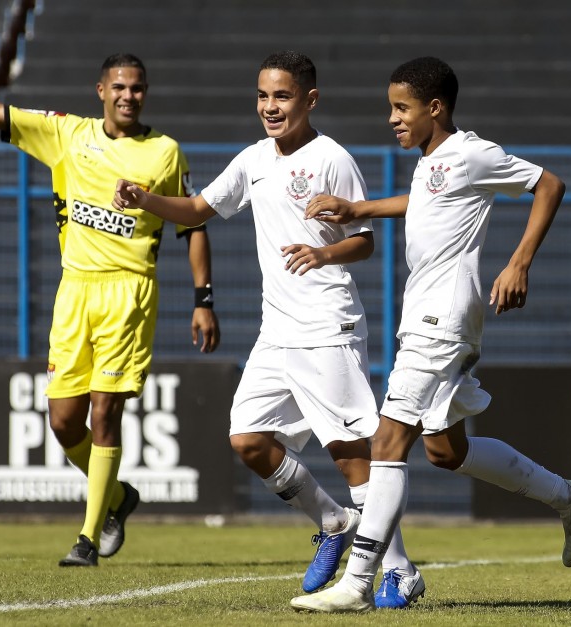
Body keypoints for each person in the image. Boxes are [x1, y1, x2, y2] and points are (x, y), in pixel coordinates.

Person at [0, 42, 220, 567]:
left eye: (137, 88)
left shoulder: (165, 152)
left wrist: (204, 299)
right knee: (64, 421)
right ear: (101, 91)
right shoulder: (67, 133)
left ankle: (86, 540)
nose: (129, 95)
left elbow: (193, 224)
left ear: (144, 94)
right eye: (120, 87)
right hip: (75, 292)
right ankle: (117, 497)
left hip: (129, 294)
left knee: (107, 412)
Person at [290, 56, 571, 613]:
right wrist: (359, 207)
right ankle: (569, 497)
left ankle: (361, 581)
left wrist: (519, 263)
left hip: (444, 317)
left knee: (387, 443)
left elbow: (549, 184)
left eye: (401, 107)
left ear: (435, 107)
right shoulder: (434, 161)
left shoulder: (471, 152)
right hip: (430, 315)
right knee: (445, 450)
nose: (392, 118)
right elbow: (428, 202)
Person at [113, 50, 421, 605]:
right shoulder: (254, 159)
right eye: (262, 96)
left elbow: (366, 241)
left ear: (310, 99)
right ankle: (332, 522)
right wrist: (146, 199)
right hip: (276, 332)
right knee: (248, 440)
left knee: (353, 457)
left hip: (327, 325)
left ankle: (399, 569)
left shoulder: (332, 158)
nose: (270, 107)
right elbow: (198, 208)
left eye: (281, 96)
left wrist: (323, 256)